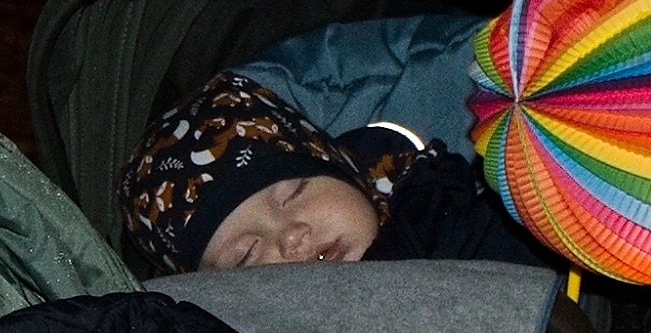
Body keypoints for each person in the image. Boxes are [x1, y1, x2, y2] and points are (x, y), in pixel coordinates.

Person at [117, 70, 543, 277]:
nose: (291, 236)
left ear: (344, 171)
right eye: (245, 254)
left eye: (294, 193)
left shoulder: (443, 214)